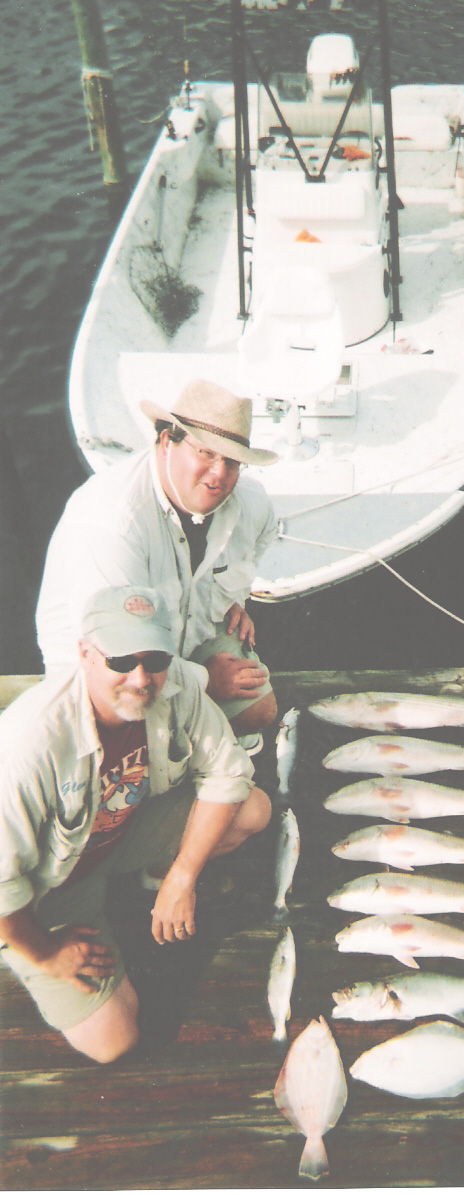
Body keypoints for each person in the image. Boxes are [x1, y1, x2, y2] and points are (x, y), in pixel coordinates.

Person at [0, 586, 272, 1065]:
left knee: (251, 809)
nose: (142, 678)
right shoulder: (27, 744)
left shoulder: (176, 687)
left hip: (119, 834)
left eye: (155, 657)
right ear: (84, 654)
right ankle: (38, 946)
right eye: (121, 661)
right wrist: (45, 952)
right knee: (114, 1042)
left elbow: (228, 773)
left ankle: (147, 882)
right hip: (52, 887)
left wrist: (183, 875)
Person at [36, 379, 279, 749]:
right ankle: (177, 752)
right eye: (205, 452)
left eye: (231, 461)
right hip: (109, 669)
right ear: (167, 441)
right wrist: (205, 681)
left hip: (180, 635)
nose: (218, 473)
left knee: (260, 710)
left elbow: (260, 537)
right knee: (131, 731)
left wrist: (235, 598)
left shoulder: (251, 500)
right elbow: (115, 650)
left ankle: (193, 740)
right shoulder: (112, 521)